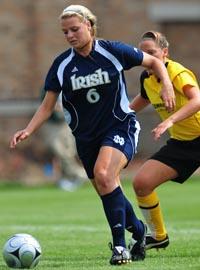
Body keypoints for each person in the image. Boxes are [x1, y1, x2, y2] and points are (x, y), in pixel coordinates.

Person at [10, 6, 175, 265]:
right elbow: (47, 104)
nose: (70, 35)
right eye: (65, 32)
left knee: (104, 174)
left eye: (75, 29)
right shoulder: (62, 65)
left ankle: (120, 247)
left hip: (120, 126)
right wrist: (28, 129)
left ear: (89, 25)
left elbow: (154, 61)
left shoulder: (113, 51)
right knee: (107, 187)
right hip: (86, 138)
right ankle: (140, 231)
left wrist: (166, 84)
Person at [129, 30, 200, 251]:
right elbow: (139, 101)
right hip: (183, 144)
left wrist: (169, 121)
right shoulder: (147, 78)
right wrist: (116, 116)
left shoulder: (177, 72)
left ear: (165, 52)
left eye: (152, 52)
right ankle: (158, 236)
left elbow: (197, 100)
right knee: (142, 183)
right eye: (143, 54)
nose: (147, 58)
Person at [40, 90, 87, 191]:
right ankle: (79, 174)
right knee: (59, 151)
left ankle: (69, 178)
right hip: (52, 124)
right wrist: (55, 108)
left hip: (66, 123)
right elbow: (45, 105)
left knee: (69, 152)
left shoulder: (70, 84)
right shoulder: (48, 87)